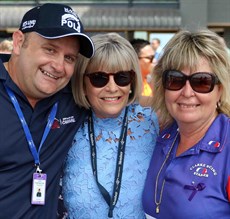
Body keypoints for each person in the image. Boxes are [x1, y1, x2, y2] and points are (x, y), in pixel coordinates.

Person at [0, 3, 94, 218]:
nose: (59, 66)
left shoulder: (74, 97)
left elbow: (116, 98)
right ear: (18, 42)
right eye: (50, 49)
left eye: (69, 58)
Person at [62, 33, 159, 218]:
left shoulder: (154, 122)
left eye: (122, 77)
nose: (113, 88)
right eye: (99, 78)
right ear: (83, 82)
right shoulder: (67, 125)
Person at [143, 29, 230, 219]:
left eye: (201, 82)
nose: (187, 92)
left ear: (220, 89)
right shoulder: (155, 136)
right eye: (175, 80)